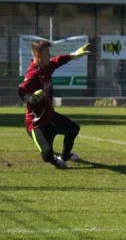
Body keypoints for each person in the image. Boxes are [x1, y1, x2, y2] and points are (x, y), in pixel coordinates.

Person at [18, 40, 90, 169]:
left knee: (73, 129)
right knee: (47, 154)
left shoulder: (45, 67)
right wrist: (31, 98)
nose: (49, 55)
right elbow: (22, 90)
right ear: (38, 55)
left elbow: (58, 60)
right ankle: (55, 160)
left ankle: (65, 155)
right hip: (36, 123)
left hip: (50, 116)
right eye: (46, 52)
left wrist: (75, 54)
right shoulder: (33, 74)